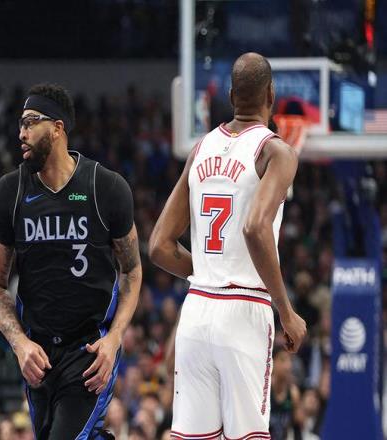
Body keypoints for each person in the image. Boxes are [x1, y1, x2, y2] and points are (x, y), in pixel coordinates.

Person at [149, 52, 307, 439]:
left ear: (232, 95)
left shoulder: (200, 149)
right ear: (270, 95)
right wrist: (285, 310)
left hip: (197, 309)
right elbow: (255, 228)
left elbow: (159, 246)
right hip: (244, 308)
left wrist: (208, 268)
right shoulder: (276, 152)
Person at [0, 83, 142, 439]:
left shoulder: (105, 187)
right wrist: (20, 344)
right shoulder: (10, 192)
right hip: (38, 351)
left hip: (89, 348)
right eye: (20, 124)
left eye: (31, 122)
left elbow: (132, 269)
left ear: (57, 128)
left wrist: (115, 338)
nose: (21, 133)